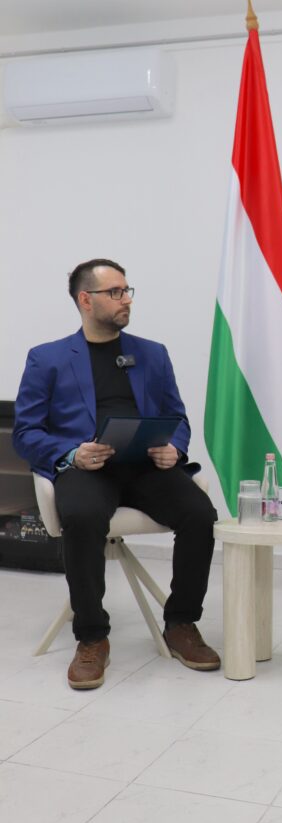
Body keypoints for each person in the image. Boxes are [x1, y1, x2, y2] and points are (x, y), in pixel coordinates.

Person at [13, 259, 220, 690]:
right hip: (88, 469)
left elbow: (177, 416)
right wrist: (72, 453)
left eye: (127, 290)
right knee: (83, 516)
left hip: (146, 466)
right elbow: (26, 433)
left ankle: (181, 623)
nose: (126, 299)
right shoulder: (47, 358)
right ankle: (92, 636)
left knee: (200, 514)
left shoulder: (152, 353)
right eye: (115, 292)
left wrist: (174, 448)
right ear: (86, 300)